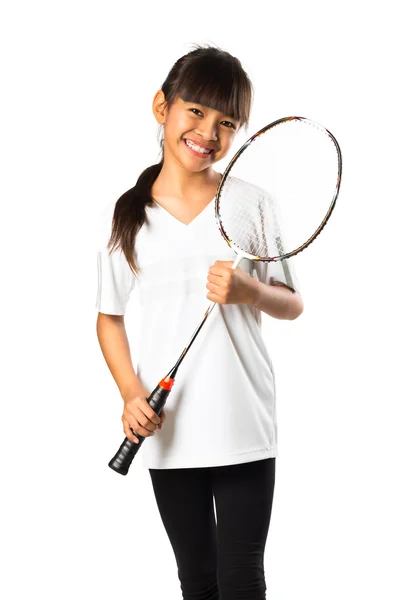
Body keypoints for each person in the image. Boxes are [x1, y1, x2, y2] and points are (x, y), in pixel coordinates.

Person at [96, 44, 304, 600]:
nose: (208, 132)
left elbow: (291, 303)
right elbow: (108, 318)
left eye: (227, 122)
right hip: (169, 432)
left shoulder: (250, 205)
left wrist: (247, 291)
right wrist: (129, 392)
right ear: (162, 107)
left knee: (241, 577)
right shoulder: (129, 216)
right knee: (197, 578)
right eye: (196, 111)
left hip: (244, 423)